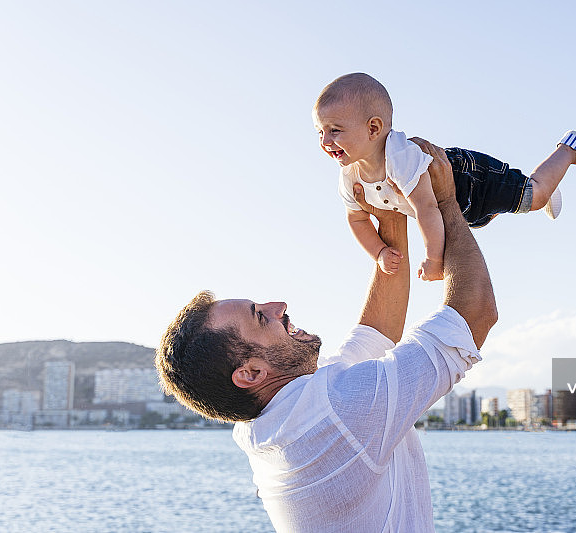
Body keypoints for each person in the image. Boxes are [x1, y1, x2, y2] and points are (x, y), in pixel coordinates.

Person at [155, 139, 498, 532]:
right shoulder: (335, 415)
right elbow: (474, 315)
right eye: (261, 317)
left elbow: (376, 333)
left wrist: (388, 212)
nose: (278, 306)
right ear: (250, 373)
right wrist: (446, 203)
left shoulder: (278, 422)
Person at [313, 72, 576, 281]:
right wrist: (378, 252)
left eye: (335, 130)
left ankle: (569, 150)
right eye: (320, 132)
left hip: (467, 178)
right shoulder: (349, 178)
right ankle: (536, 186)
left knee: (533, 196)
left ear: (374, 129)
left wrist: (433, 259)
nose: (325, 141)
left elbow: (426, 209)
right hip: (456, 207)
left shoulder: (400, 158)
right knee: (484, 218)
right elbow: (357, 219)